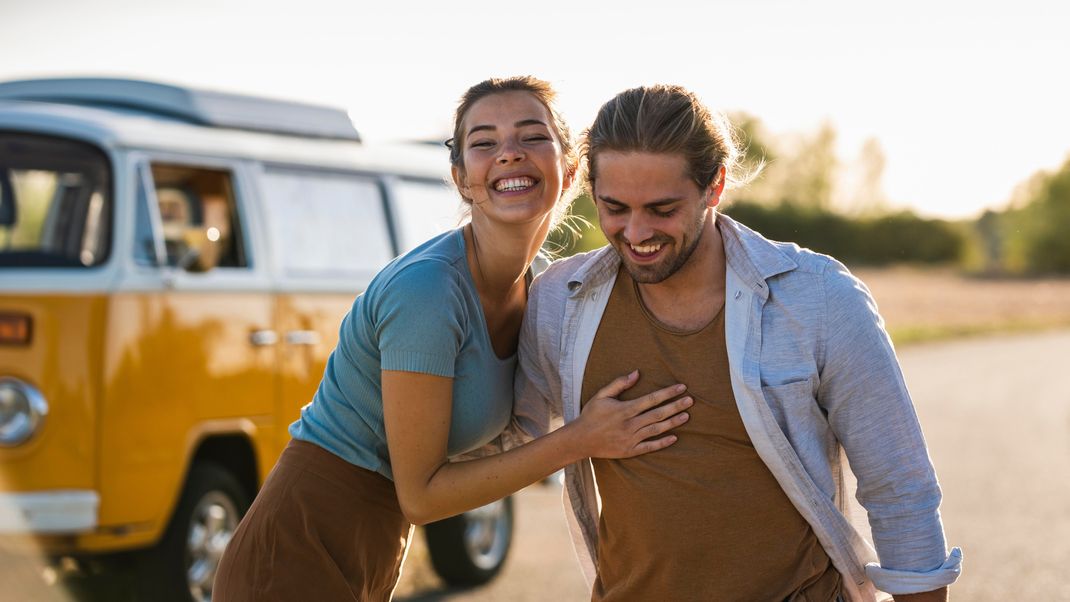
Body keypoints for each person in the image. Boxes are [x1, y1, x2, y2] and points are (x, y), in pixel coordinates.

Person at [213, 77, 693, 602]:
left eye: (532, 137)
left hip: (372, 544)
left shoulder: (546, 289)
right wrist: (580, 439)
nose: (508, 155)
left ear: (572, 170)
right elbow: (420, 496)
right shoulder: (428, 290)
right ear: (462, 179)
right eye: (484, 143)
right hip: (297, 542)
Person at [510, 85, 962, 601]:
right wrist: (575, 440)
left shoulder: (820, 299)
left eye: (662, 209)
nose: (636, 232)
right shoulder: (558, 303)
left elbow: (899, 488)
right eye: (614, 207)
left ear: (715, 185)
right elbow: (501, 443)